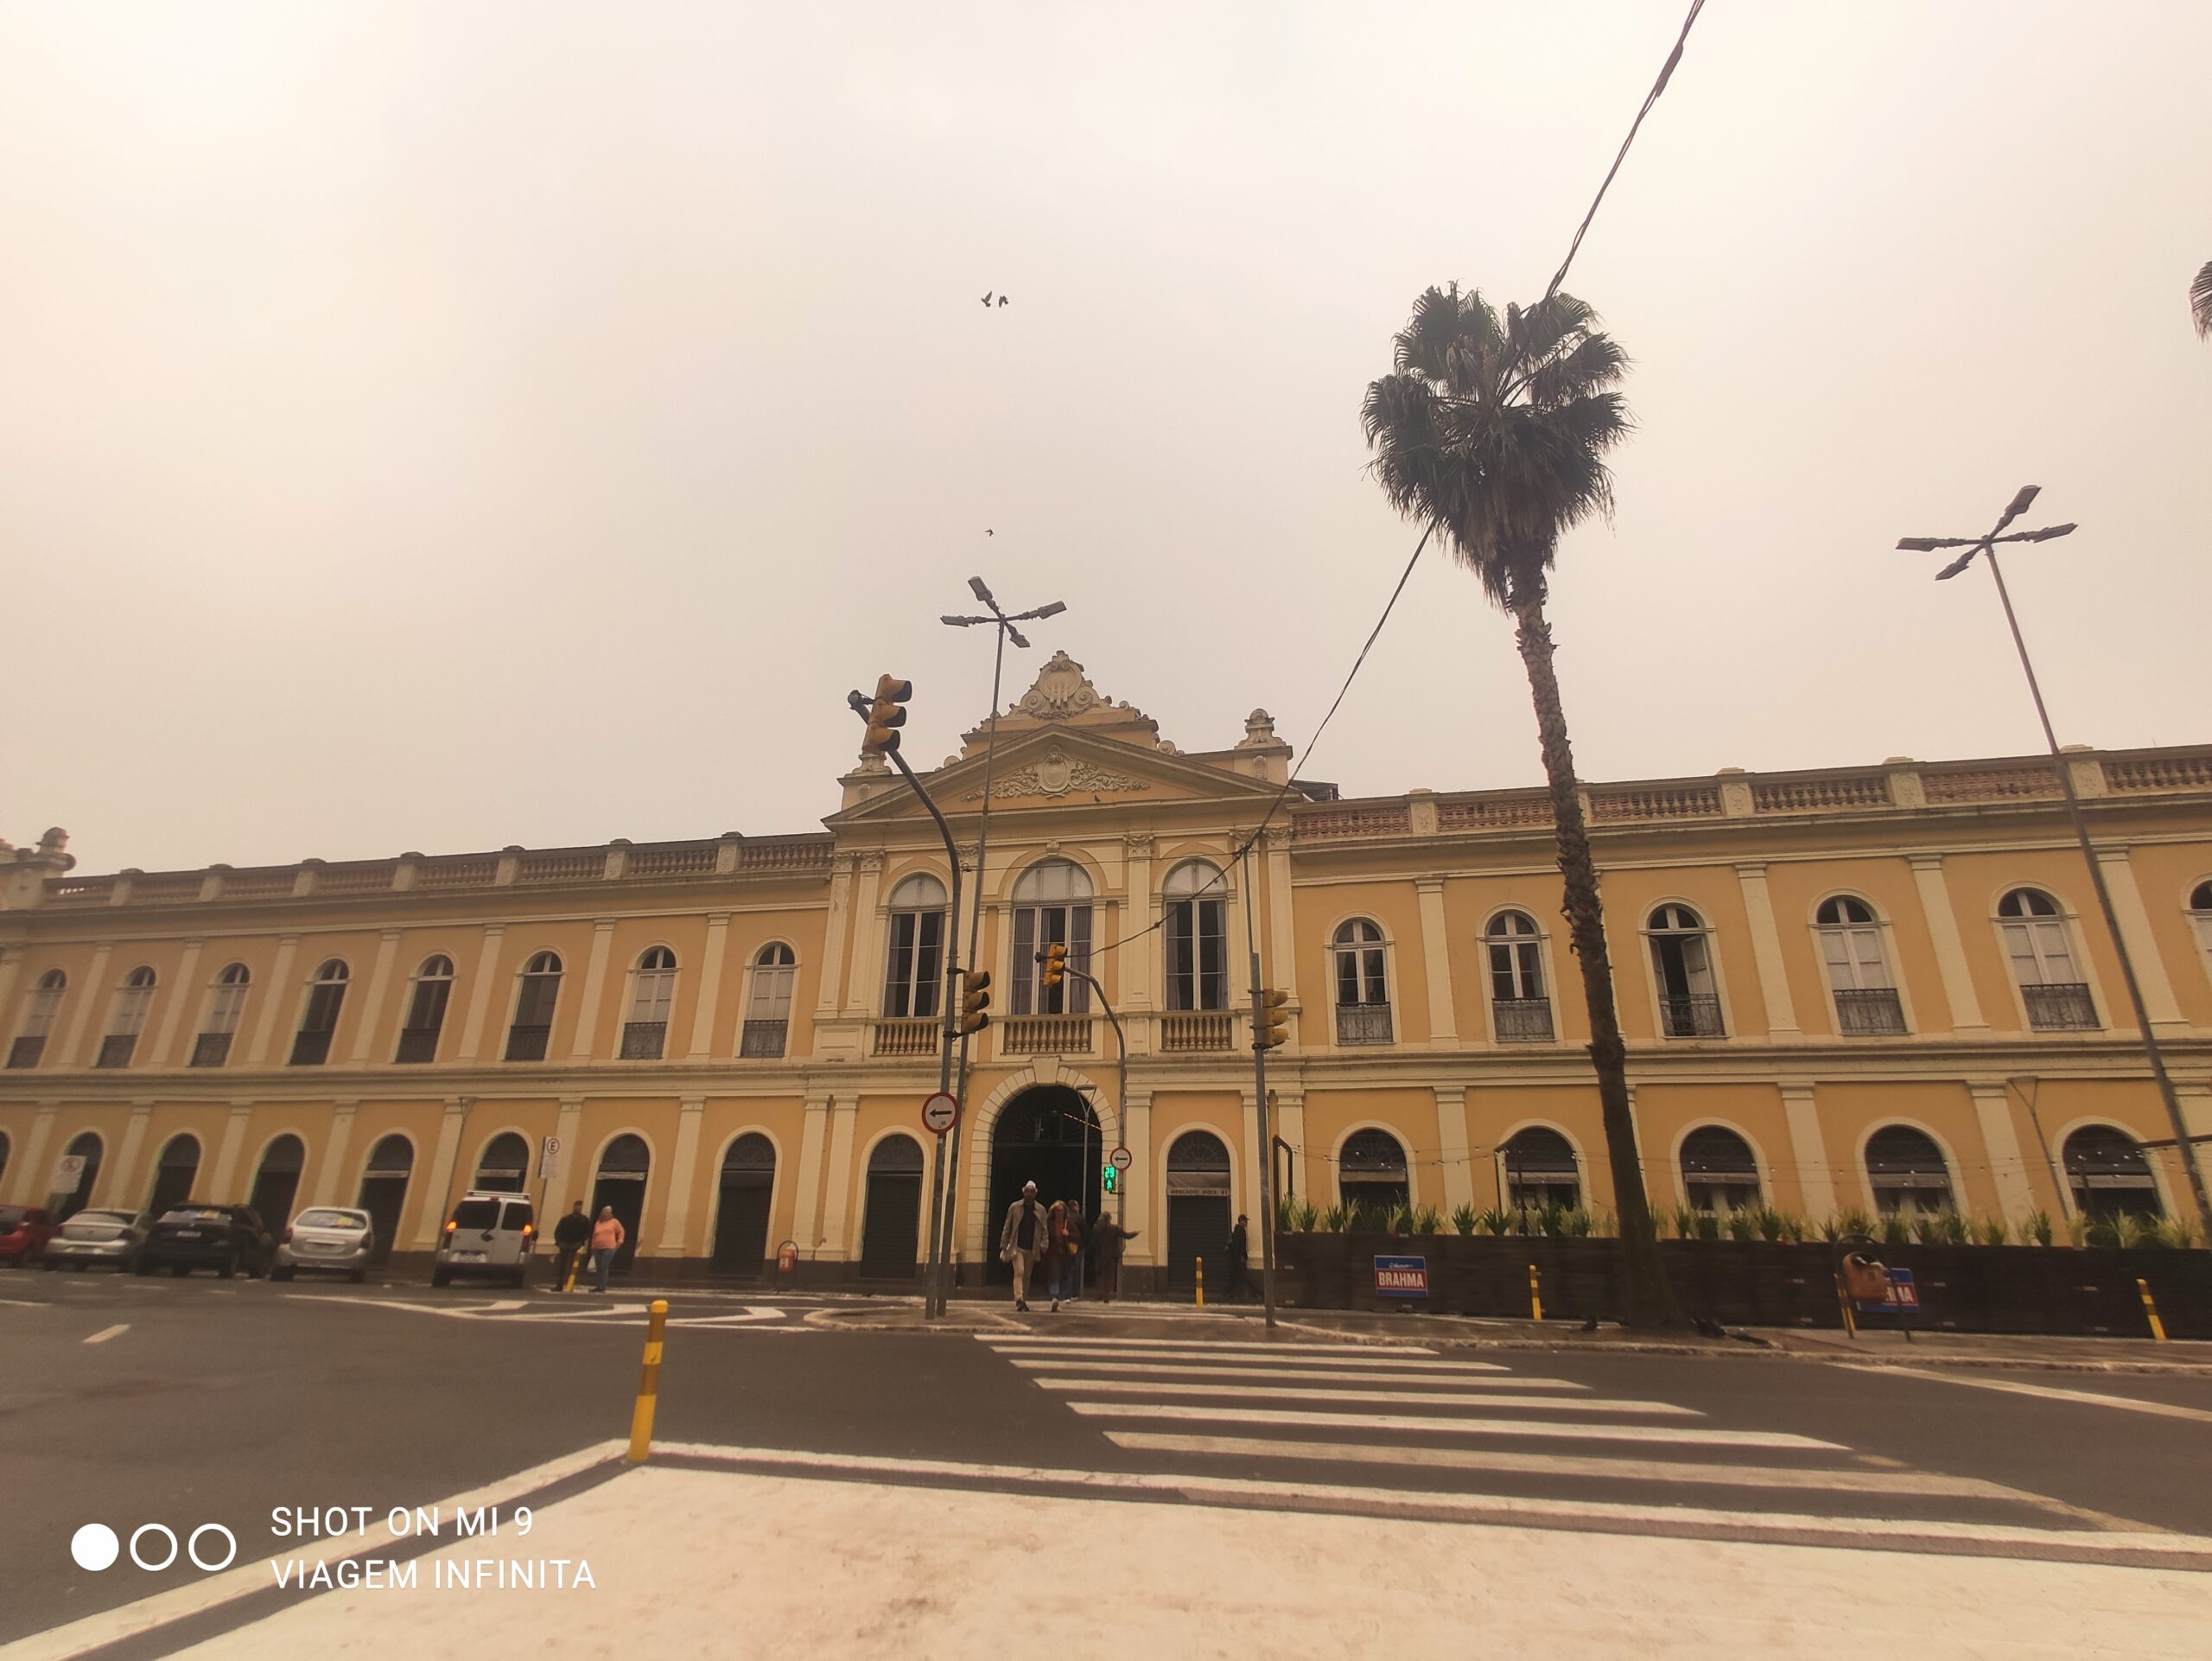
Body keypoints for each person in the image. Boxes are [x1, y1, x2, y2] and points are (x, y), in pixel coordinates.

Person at [999, 1181, 1048, 1312]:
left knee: (1027, 1275)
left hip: (1032, 1247)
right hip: (1017, 1246)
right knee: (1019, 1271)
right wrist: (1004, 1243)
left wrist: (1044, 1244)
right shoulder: (1015, 1207)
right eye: (1027, 1191)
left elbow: (1044, 1229)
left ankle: (1023, 1301)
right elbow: (1007, 1225)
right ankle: (1019, 1298)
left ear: (1035, 1193)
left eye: (1032, 1192)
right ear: (1023, 1192)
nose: (1029, 1194)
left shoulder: (1041, 1210)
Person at [1088, 1214, 1138, 1303]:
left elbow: (1093, 1242)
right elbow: (1126, 1235)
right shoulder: (1115, 1229)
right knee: (1109, 1277)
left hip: (1099, 1256)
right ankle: (1106, 1296)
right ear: (1109, 1219)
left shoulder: (1096, 1229)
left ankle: (1099, 1294)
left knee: (1100, 1276)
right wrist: (1136, 1233)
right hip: (1111, 1257)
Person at [551, 1200, 590, 1289]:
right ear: (573, 1207)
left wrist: (580, 1243)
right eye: (576, 1207)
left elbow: (587, 1233)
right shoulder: (565, 1219)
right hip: (564, 1244)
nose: (578, 1209)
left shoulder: (584, 1220)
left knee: (573, 1267)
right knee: (562, 1266)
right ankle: (559, 1285)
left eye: (579, 1208)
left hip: (576, 1245)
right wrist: (559, 1242)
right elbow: (558, 1231)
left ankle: (570, 1285)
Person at [588, 1205, 626, 1294]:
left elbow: (621, 1231)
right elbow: (594, 1235)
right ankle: (598, 1285)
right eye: (604, 1212)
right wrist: (592, 1246)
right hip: (597, 1248)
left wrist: (619, 1241)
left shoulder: (614, 1222)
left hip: (609, 1247)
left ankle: (602, 1286)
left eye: (607, 1213)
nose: (605, 1214)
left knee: (604, 1266)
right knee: (598, 1267)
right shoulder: (598, 1223)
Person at [1058, 1205, 1087, 1306]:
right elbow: (1084, 1233)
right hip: (1076, 1248)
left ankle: (1063, 1294)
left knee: (1065, 1270)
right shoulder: (1079, 1218)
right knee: (1074, 1271)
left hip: (1063, 1248)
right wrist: (1083, 1245)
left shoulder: (1063, 1219)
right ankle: (1072, 1293)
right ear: (1076, 1207)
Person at [1224, 1213, 1250, 1301]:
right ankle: (1256, 1294)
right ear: (1242, 1221)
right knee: (1243, 1276)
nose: (1246, 1223)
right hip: (1238, 1259)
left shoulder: (1237, 1231)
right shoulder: (1240, 1231)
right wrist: (1241, 1256)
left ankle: (1227, 1292)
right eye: (1245, 1221)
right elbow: (1239, 1245)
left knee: (1235, 1276)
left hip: (1236, 1258)